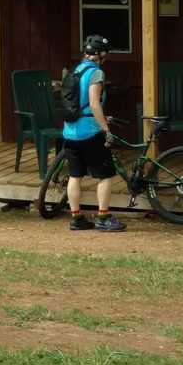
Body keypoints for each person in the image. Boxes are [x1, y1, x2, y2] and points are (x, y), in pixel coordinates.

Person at [63, 35, 124, 232]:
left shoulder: (77, 70)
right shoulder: (96, 73)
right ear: (102, 55)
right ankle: (103, 217)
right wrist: (106, 130)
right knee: (105, 175)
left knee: (75, 175)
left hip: (70, 131)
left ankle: (76, 218)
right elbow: (94, 104)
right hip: (90, 132)